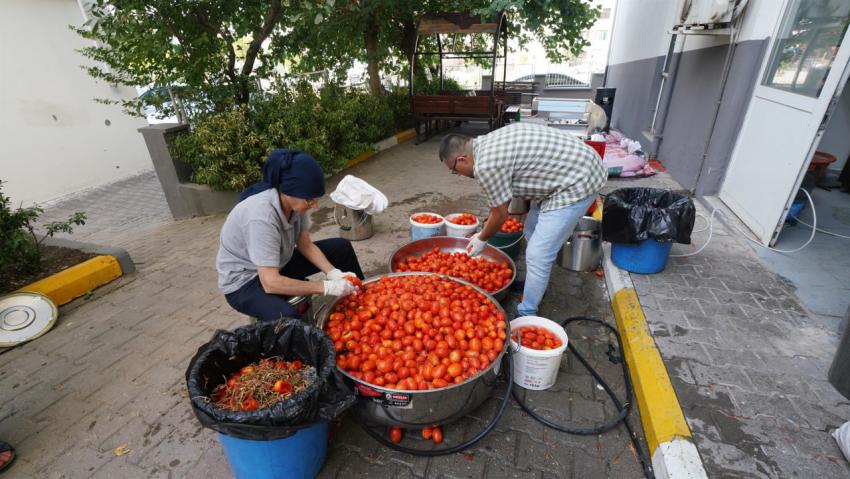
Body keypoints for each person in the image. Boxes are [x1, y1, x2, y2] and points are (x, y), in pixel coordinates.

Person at [438, 123, 606, 316]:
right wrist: (491, 221)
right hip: (565, 172)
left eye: (454, 170)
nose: (458, 175)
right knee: (531, 229)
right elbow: (504, 197)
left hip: (578, 181)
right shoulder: (484, 144)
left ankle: (527, 312)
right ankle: (533, 285)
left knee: (538, 254)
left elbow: (501, 215)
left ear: (462, 159)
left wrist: (482, 238)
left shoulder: (485, 166)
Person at [217, 149, 364, 322]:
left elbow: (305, 245)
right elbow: (270, 283)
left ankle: (362, 299)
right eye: (309, 199)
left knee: (341, 248)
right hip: (245, 282)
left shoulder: (295, 205)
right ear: (287, 192)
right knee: (288, 317)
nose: (314, 205)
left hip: (277, 263)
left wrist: (334, 273)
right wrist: (326, 287)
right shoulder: (261, 217)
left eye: (315, 198)